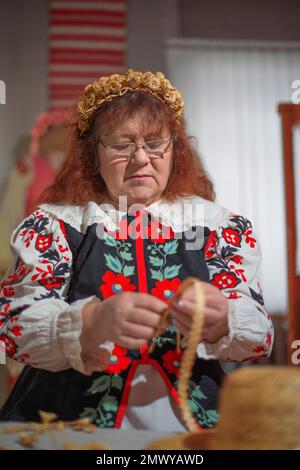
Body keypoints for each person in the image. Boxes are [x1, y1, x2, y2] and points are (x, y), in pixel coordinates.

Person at [0, 70, 273, 431]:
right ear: (92, 153)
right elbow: (12, 330)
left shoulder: (217, 226)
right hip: (71, 423)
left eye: (155, 142)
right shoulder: (55, 225)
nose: (141, 158)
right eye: (121, 144)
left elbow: (260, 337)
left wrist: (223, 320)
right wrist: (89, 324)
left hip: (192, 428)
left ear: (175, 148)